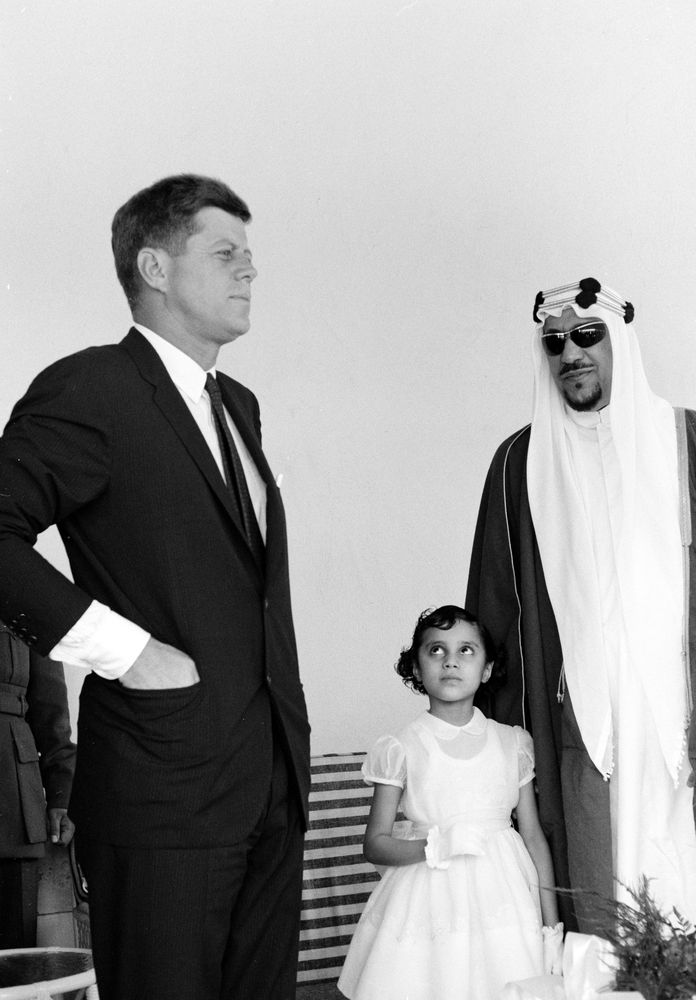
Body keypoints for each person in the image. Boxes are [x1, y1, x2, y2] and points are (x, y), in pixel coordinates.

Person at [0, 174, 310, 999]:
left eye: (251, 256)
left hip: (270, 784)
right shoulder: (91, 388)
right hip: (162, 793)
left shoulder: (237, 404)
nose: (250, 272)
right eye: (225, 253)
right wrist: (126, 653)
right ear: (156, 266)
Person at [466, 277, 696, 931]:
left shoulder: (687, 446)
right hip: (579, 727)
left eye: (588, 335)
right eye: (555, 343)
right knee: (599, 903)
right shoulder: (519, 463)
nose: (571, 354)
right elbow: (493, 614)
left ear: (620, 339)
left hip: (679, 722)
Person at [337, 605, 561, 1000]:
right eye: (436, 650)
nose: (451, 662)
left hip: (504, 898)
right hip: (429, 897)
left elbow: (534, 838)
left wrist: (551, 928)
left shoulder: (512, 743)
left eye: (466, 651)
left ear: (487, 669)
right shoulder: (401, 747)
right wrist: (435, 846)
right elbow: (375, 843)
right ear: (418, 669)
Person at [0, 623, 75, 949]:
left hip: (11, 798)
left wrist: (62, 793)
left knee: (14, 956)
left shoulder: (18, 580)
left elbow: (51, 707)